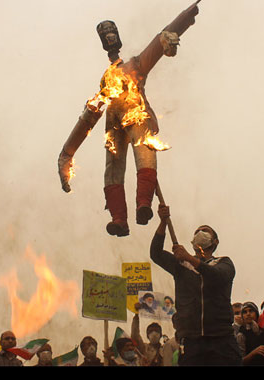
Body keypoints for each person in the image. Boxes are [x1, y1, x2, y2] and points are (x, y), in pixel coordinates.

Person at [57, 1, 201, 237]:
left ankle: (143, 204)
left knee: (144, 155)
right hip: (113, 125)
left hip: (137, 116)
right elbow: (89, 116)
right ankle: (119, 219)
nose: (109, 41)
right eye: (105, 37)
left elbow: (155, 47)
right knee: (112, 170)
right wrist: (67, 154)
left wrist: (179, 26)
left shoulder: (134, 65)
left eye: (111, 35)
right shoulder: (106, 81)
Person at [150, 204, 242, 366]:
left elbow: (217, 276)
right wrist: (163, 222)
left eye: (205, 231)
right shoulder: (181, 265)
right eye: (197, 231)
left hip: (221, 339)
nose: (201, 233)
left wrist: (190, 259)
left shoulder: (224, 263)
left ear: (215, 241)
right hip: (192, 341)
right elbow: (155, 253)